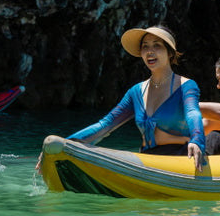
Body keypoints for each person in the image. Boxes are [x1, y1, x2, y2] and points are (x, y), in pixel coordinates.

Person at [68, 25, 206, 170]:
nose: (149, 51)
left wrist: (197, 140)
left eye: (157, 45)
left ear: (170, 53)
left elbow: (193, 113)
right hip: (147, 158)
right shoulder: (135, 92)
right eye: (145, 46)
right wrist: (66, 143)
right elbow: (106, 125)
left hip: (179, 157)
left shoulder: (187, 86)